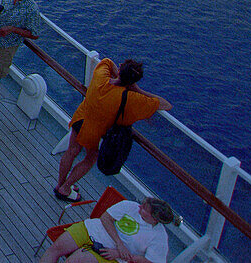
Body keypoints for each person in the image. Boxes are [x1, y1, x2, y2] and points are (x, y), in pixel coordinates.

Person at [54, 58, 172, 202]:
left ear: (121, 70)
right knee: (90, 158)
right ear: (133, 81)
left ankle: (60, 184)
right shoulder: (129, 98)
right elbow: (165, 105)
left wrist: (120, 75)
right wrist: (136, 88)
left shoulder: (101, 78)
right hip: (93, 131)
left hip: (80, 118)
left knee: (71, 151)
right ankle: (65, 188)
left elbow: (107, 62)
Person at [40, 197, 179, 263]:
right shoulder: (129, 205)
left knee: (72, 262)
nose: (139, 207)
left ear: (154, 218)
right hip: (92, 229)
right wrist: (120, 243)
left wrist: (119, 253)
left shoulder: (159, 237)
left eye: (143, 208)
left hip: (110, 253)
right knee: (55, 248)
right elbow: (105, 218)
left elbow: (151, 262)